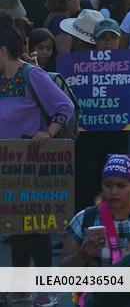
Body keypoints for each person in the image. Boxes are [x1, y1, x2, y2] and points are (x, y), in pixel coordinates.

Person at [0, 15, 73, 306]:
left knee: (37, 225)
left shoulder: (32, 76)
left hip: (34, 162)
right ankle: (20, 287)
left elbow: (63, 106)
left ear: (3, 51)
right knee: (16, 226)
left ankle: (45, 287)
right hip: (7, 165)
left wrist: (48, 131)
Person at [62, 154, 130, 267]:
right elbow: (63, 270)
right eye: (108, 185)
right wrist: (82, 255)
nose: (113, 192)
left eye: (121, 186)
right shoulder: (83, 219)